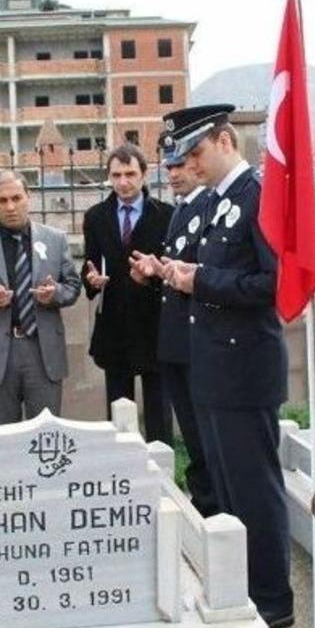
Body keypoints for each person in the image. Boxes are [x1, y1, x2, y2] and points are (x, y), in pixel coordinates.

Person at [157, 104, 294, 628]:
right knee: (230, 491)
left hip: (244, 369)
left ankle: (272, 595)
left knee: (255, 490)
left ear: (224, 141)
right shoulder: (217, 201)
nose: (190, 164)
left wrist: (201, 281)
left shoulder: (256, 196)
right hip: (212, 368)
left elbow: (275, 285)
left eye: (195, 152)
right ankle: (243, 584)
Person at [0, 170, 81, 424]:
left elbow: (74, 286)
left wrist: (54, 295)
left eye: (16, 198)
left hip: (42, 352)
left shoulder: (55, 240)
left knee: (45, 434)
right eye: (2, 200)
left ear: (28, 198)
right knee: (3, 440)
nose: (10, 206)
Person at [130, 142, 218, 517]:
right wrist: (156, 273)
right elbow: (179, 273)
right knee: (195, 442)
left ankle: (216, 515)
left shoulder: (211, 206)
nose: (175, 173)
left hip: (200, 345)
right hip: (176, 343)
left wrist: (170, 273)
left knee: (207, 441)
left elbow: (206, 275)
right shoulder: (182, 210)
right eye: (169, 167)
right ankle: (204, 509)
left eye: (181, 164)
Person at [82, 144, 173, 443]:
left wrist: (151, 279)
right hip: (115, 327)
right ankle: (122, 473)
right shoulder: (96, 217)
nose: (123, 182)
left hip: (155, 325)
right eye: (116, 175)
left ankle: (164, 473)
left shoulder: (166, 215)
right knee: (118, 411)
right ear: (108, 177)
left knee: (159, 412)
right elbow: (90, 264)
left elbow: (174, 272)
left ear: (144, 175)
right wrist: (92, 280)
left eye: (130, 174)